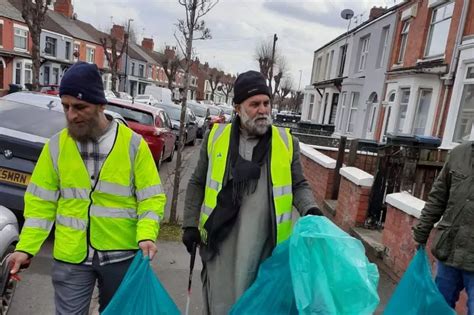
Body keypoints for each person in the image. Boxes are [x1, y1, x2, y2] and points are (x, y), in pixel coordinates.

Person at [7, 62, 166, 314]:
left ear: (101, 105)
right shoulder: (56, 147)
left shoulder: (133, 145)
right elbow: (41, 203)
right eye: (66, 106)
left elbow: (151, 198)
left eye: (80, 107)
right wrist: (26, 247)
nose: (71, 115)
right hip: (72, 256)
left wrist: (147, 234)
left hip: (120, 255)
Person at [182, 70, 321, 314]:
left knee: (260, 307)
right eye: (254, 104)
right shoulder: (216, 137)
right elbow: (196, 183)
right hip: (221, 245)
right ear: (238, 108)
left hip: (267, 247)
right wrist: (190, 225)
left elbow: (299, 184)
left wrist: (311, 209)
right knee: (222, 306)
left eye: (266, 103)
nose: (263, 110)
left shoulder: (287, 142)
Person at [413, 142, 474, 313]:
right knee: (438, 307)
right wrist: (421, 232)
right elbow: (437, 198)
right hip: (450, 250)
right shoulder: (458, 154)